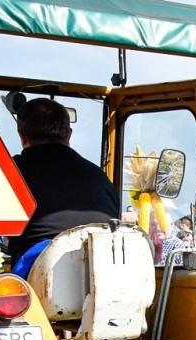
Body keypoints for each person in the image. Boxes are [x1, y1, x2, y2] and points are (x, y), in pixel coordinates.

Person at [7, 97, 120, 261]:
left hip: (34, 271)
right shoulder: (99, 177)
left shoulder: (10, 173)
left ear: (22, 136)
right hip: (103, 267)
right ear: (69, 135)